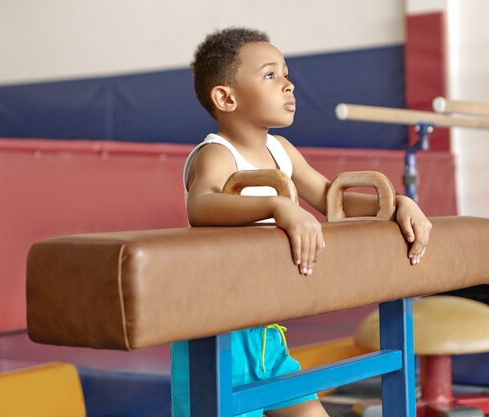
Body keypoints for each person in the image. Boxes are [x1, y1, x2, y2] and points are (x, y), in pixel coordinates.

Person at [171, 27, 432, 417]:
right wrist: (278, 206)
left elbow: (331, 198)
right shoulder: (216, 155)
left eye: (286, 73)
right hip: (218, 340)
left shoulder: (281, 151)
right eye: (271, 75)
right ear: (226, 97)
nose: (288, 84)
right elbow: (202, 205)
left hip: (265, 333)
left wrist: (396, 205)